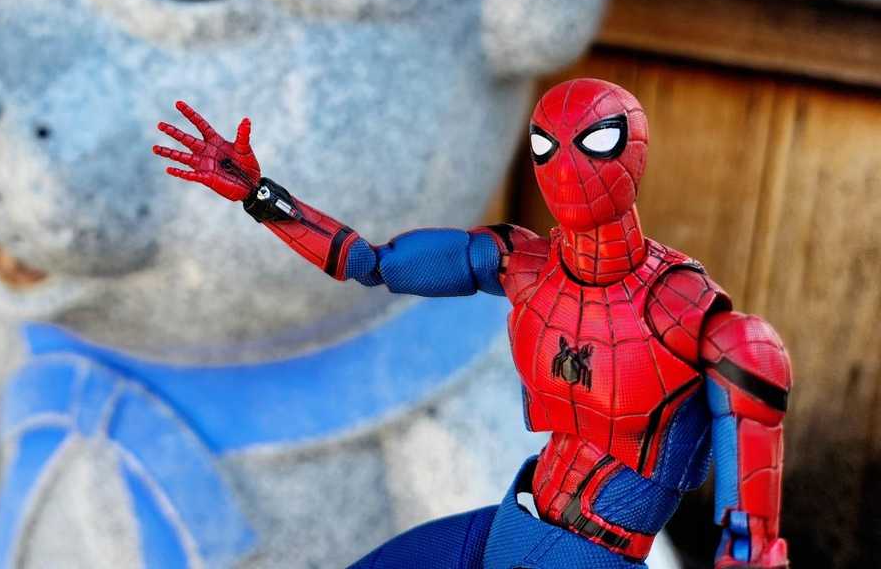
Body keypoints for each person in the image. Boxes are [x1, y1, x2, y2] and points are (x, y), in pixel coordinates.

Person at [154, 78, 790, 568]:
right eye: (546, 146)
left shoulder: (699, 319)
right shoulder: (523, 264)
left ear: (634, 154)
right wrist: (259, 194)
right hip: (513, 518)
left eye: (595, 142)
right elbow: (368, 262)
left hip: (596, 551)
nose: (568, 167)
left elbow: (750, 540)